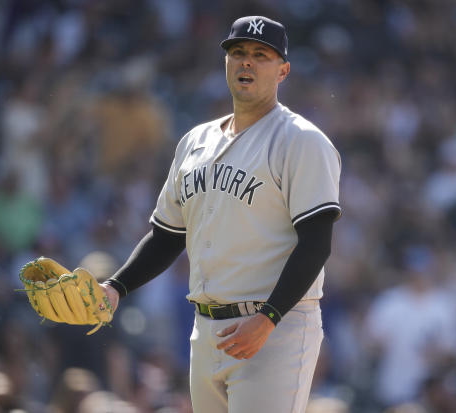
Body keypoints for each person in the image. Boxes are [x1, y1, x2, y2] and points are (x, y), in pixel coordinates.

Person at [100, 16, 342, 412]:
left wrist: (268, 318)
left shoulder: (301, 141)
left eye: (261, 56)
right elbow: (167, 236)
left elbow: (316, 245)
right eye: (238, 53)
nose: (246, 62)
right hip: (206, 327)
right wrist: (115, 287)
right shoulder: (195, 140)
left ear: (283, 71)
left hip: (275, 328)